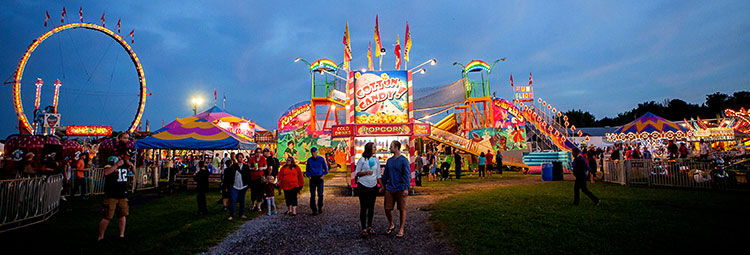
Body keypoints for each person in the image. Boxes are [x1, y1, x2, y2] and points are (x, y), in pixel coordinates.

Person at [97, 150, 134, 241]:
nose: (128, 158)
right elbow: (106, 172)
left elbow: (133, 173)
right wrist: (116, 165)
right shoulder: (111, 162)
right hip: (111, 194)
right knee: (107, 216)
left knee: (122, 215)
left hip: (122, 193)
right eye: (127, 156)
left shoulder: (126, 164)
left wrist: (132, 165)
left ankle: (121, 234)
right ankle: (100, 236)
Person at [381, 140, 411, 238]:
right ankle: (391, 224)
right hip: (390, 187)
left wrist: (406, 188)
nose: (389, 148)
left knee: (402, 208)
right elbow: (386, 174)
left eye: (391, 146)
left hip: (401, 188)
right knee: (387, 208)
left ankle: (401, 228)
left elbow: (407, 175)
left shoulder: (404, 160)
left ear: (397, 147)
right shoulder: (389, 161)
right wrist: (382, 185)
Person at [355, 142, 381, 237]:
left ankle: (369, 226)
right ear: (369, 148)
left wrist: (381, 185)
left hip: (373, 185)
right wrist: (366, 173)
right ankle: (363, 228)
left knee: (371, 207)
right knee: (363, 207)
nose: (375, 149)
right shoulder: (362, 160)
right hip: (363, 185)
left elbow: (378, 175)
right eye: (374, 147)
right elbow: (357, 173)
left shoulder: (376, 160)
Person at [224, 153, 250, 221]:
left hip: (243, 185)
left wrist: (247, 185)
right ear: (237, 158)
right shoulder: (233, 166)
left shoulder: (245, 167)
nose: (240, 158)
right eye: (239, 157)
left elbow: (248, 176)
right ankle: (231, 215)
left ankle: (241, 213)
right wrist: (228, 186)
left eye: (241, 157)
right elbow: (229, 177)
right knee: (233, 200)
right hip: (235, 185)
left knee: (242, 201)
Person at [305, 147, 328, 215]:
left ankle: (320, 207)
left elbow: (326, 168)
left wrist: (323, 174)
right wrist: (308, 175)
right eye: (312, 152)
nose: (314, 153)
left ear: (316, 152)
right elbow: (307, 169)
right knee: (312, 195)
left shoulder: (321, 159)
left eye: (315, 152)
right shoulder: (309, 160)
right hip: (312, 178)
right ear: (311, 153)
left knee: (320, 194)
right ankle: (313, 209)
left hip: (319, 178)